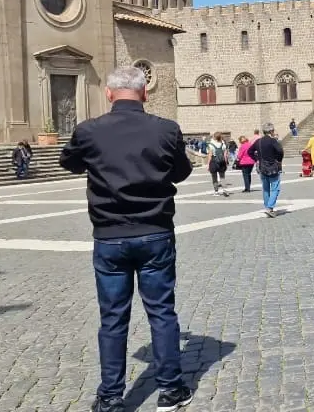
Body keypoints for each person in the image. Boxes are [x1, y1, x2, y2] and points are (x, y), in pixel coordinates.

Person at [59, 67, 194, 412]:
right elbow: (181, 170)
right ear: (145, 92)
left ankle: (110, 397)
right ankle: (170, 390)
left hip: (110, 236)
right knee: (162, 312)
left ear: (108, 94)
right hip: (155, 233)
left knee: (113, 318)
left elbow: (69, 163)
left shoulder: (89, 131)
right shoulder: (166, 129)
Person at [249, 123, 284, 217]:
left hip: (262, 167)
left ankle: (267, 207)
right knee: (275, 188)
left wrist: (257, 159)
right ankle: (270, 207)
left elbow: (249, 151)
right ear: (271, 131)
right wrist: (279, 160)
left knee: (265, 188)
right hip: (273, 166)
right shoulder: (273, 141)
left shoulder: (258, 141)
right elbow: (280, 151)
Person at [207, 131, 230, 197]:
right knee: (222, 177)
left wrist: (208, 165)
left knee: (214, 178)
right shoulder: (223, 144)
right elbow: (225, 155)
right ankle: (225, 190)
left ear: (214, 137)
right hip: (222, 162)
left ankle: (216, 192)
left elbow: (210, 155)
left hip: (213, 162)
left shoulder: (211, 144)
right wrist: (225, 163)